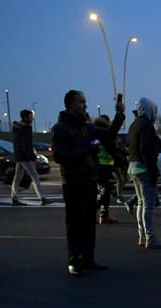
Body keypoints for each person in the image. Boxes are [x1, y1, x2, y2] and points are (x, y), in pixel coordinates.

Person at [51, 90, 124, 276]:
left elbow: (109, 133)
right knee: (74, 223)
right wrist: (86, 150)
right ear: (69, 105)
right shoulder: (61, 128)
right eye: (81, 102)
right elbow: (59, 156)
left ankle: (88, 258)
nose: (85, 105)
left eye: (85, 102)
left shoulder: (87, 126)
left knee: (89, 222)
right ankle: (74, 260)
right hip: (73, 181)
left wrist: (119, 114)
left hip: (90, 179)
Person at [127, 97, 161, 249]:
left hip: (132, 166)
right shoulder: (146, 125)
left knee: (141, 203)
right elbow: (147, 149)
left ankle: (142, 236)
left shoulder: (134, 124)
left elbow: (129, 145)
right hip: (144, 167)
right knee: (148, 205)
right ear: (150, 110)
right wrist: (152, 169)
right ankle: (151, 237)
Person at [93, 115, 127, 224]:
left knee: (104, 190)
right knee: (106, 189)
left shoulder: (94, 134)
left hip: (99, 165)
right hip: (103, 165)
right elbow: (114, 149)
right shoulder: (105, 135)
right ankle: (94, 211)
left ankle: (104, 215)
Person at [11, 109, 50, 206]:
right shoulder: (25, 128)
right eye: (30, 116)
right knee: (35, 177)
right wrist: (32, 157)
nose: (32, 118)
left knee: (17, 177)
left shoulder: (19, 128)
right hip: (25, 156)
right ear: (25, 117)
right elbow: (26, 144)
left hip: (20, 155)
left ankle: (14, 198)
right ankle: (42, 198)